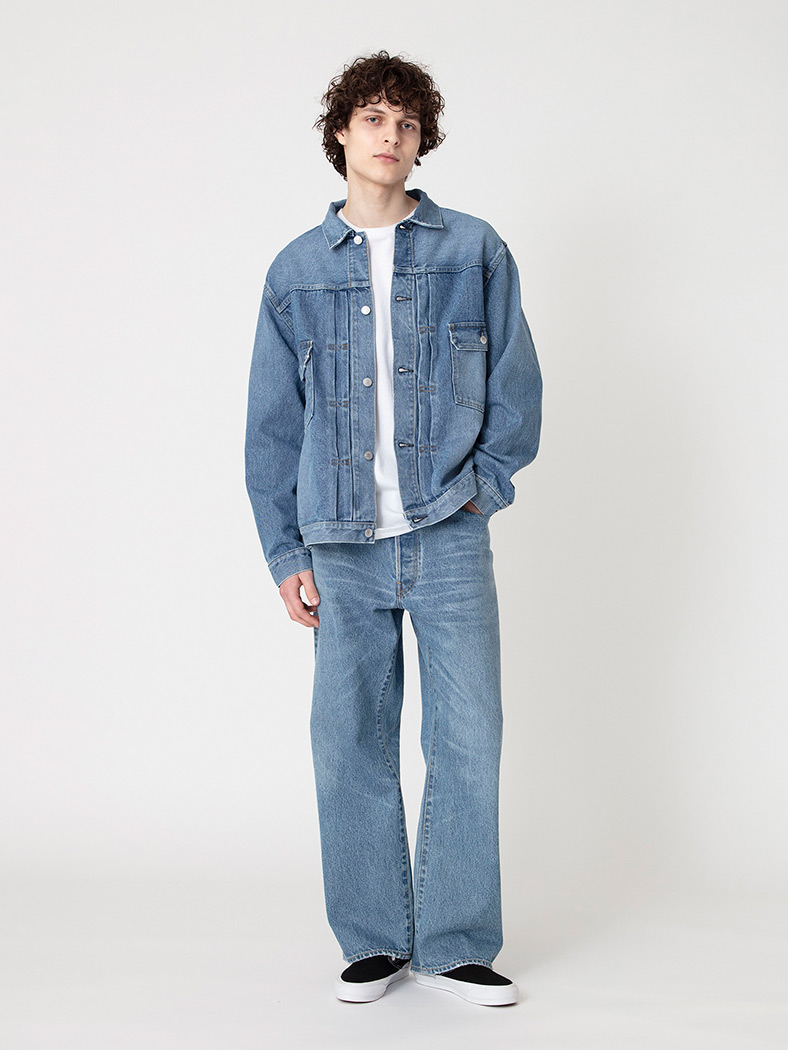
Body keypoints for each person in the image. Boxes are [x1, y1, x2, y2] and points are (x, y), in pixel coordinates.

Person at [245, 50, 542, 1007]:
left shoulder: (474, 250)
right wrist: (286, 553)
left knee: (468, 736)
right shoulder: (296, 272)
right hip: (340, 545)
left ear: (423, 140)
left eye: (408, 123)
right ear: (341, 132)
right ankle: (374, 940)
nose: (391, 136)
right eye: (374, 118)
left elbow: (517, 390)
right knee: (349, 742)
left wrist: (480, 489)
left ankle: (456, 943)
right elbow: (271, 428)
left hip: (447, 533)